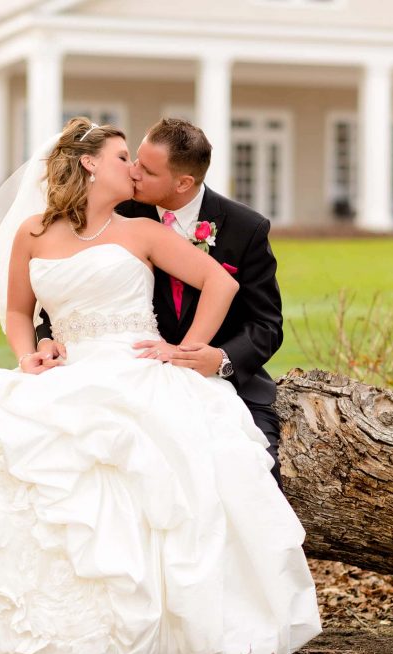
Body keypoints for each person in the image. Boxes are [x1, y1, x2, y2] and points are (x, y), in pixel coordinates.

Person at [0, 117, 321, 654]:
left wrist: (194, 350)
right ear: (88, 163)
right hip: (69, 369)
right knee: (1, 470)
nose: (132, 169)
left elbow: (236, 298)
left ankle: (143, 628)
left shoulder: (168, 229)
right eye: (124, 157)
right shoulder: (43, 230)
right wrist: (33, 347)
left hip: (144, 369)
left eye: (142, 164)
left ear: (181, 183)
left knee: (179, 477)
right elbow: (23, 309)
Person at [37, 118, 285, 485]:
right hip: (129, 371)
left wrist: (218, 358)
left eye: (147, 170)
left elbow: (266, 325)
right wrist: (45, 336)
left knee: (252, 471)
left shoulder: (245, 228)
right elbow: (66, 289)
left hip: (228, 382)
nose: (133, 173)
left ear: (183, 182)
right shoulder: (119, 213)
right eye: (133, 160)